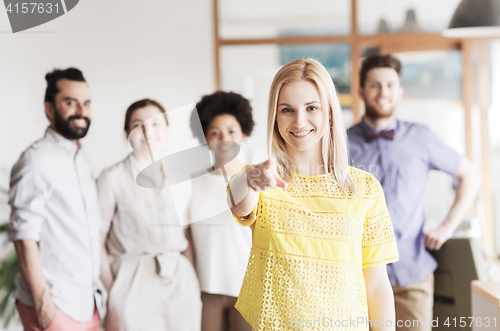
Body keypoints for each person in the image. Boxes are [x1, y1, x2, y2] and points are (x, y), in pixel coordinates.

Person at [227, 59, 399, 331]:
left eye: (311, 108)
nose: (299, 121)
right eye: (287, 110)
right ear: (275, 115)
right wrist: (250, 179)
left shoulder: (365, 188)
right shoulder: (261, 180)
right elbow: (238, 203)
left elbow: (377, 283)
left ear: (329, 112)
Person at [347, 54, 481, 331]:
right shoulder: (340, 143)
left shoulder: (422, 137)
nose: (383, 92)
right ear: (360, 90)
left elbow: (470, 174)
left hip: (412, 276)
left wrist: (447, 227)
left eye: (389, 85)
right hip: (356, 278)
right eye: (374, 85)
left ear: (399, 91)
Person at [9, 68, 101, 331]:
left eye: (86, 103)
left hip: (87, 305)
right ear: (49, 109)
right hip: (54, 306)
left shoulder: (82, 162)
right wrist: (42, 303)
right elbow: (24, 235)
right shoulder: (35, 161)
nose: (81, 111)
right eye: (70, 102)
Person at [97, 99, 202, 331]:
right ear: (127, 133)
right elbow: (97, 241)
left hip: (178, 278)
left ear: (166, 129)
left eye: (155, 124)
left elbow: (186, 235)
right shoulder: (111, 178)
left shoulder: (181, 176)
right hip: (131, 280)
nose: (148, 132)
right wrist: (114, 290)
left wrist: (191, 277)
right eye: (138, 125)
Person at [189, 91, 254, 331]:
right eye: (215, 132)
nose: (223, 138)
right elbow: (186, 238)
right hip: (207, 290)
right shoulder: (193, 183)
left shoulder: (255, 180)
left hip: (248, 290)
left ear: (244, 133)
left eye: (231, 131)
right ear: (205, 137)